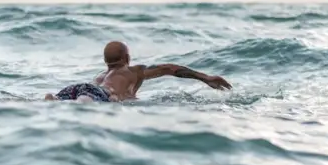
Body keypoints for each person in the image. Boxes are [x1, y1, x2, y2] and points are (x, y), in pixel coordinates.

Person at [45, 41, 231, 102]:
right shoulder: (133, 71)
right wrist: (205, 78)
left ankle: (52, 99)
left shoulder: (100, 75)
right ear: (127, 58)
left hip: (77, 87)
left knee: (60, 100)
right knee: (87, 101)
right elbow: (169, 69)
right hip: (99, 94)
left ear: (106, 61)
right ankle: (83, 101)